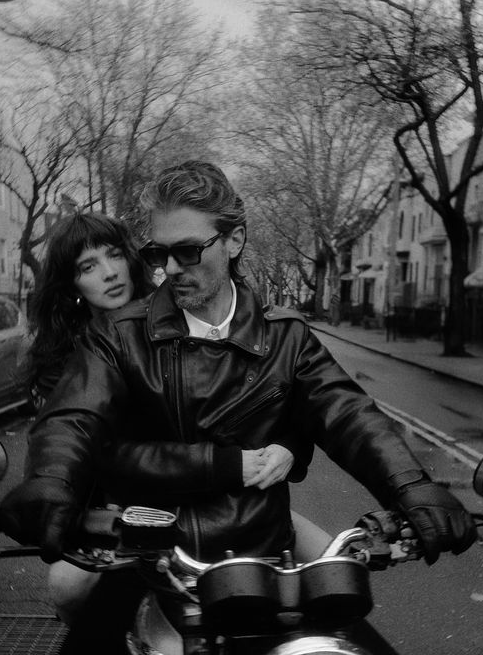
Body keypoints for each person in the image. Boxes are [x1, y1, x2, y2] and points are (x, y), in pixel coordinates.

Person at [1, 161, 477, 649]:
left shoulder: (287, 335)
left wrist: (412, 487)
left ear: (235, 241)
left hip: (266, 556)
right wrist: (50, 480)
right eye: (159, 253)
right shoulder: (116, 335)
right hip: (152, 558)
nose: (170, 268)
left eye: (187, 250)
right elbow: (74, 417)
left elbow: (347, 412)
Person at [21, 211, 320, 628]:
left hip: (222, 500)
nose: (109, 274)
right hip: (120, 508)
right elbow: (94, 449)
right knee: (72, 592)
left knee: (331, 573)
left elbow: (260, 400)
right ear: (71, 284)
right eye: (89, 266)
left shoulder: (182, 315)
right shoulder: (68, 362)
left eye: (114, 256)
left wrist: (289, 444)